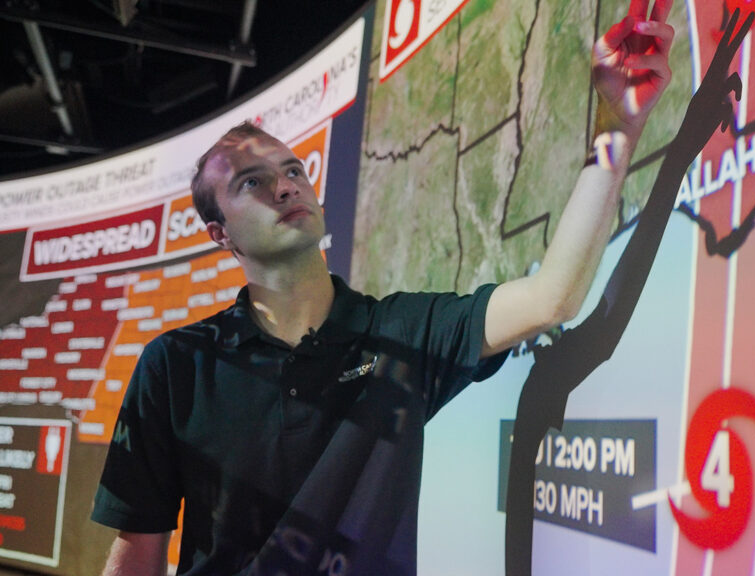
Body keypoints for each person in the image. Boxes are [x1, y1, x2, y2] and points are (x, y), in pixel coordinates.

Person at [91, 1, 675, 574]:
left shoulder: (402, 334)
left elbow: (555, 296)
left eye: (293, 171)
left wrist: (617, 127)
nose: (287, 187)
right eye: (254, 182)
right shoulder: (175, 365)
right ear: (221, 234)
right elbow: (138, 551)